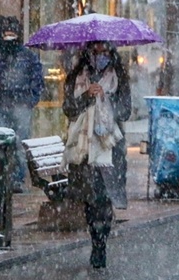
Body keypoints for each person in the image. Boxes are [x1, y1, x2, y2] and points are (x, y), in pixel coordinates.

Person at [62, 41, 131, 269]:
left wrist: (106, 99)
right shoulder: (77, 75)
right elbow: (69, 108)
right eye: (95, 50)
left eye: (104, 50)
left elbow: (126, 110)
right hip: (84, 146)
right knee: (91, 200)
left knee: (104, 198)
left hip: (109, 145)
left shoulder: (118, 75)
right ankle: (96, 238)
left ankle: (101, 244)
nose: (99, 54)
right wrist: (87, 96)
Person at [0, 15, 44, 193]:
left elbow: (37, 79)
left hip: (20, 106)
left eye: (12, 34)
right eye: (6, 34)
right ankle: (1, 178)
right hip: (2, 104)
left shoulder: (27, 56)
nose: (9, 38)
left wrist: (30, 99)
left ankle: (16, 178)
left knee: (19, 144)